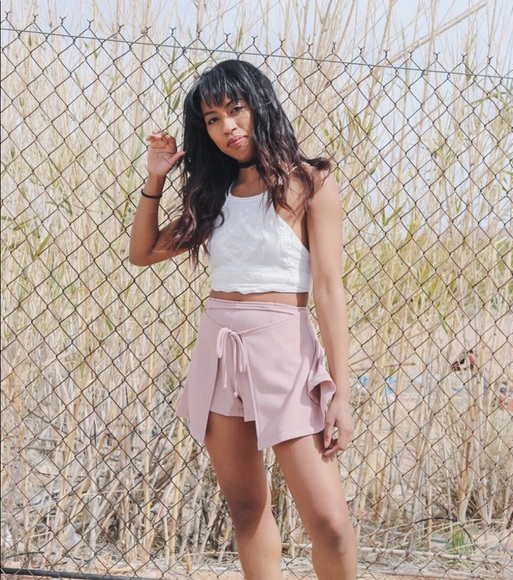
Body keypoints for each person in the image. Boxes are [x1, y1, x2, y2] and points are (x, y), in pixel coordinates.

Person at [129, 59, 357, 580]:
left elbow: (328, 289)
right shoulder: (214, 193)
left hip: (285, 351)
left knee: (331, 524)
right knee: (248, 509)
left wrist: (341, 393)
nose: (227, 127)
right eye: (212, 119)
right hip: (220, 351)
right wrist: (155, 178)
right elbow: (142, 252)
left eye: (235, 110)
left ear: (260, 106)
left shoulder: (310, 182)